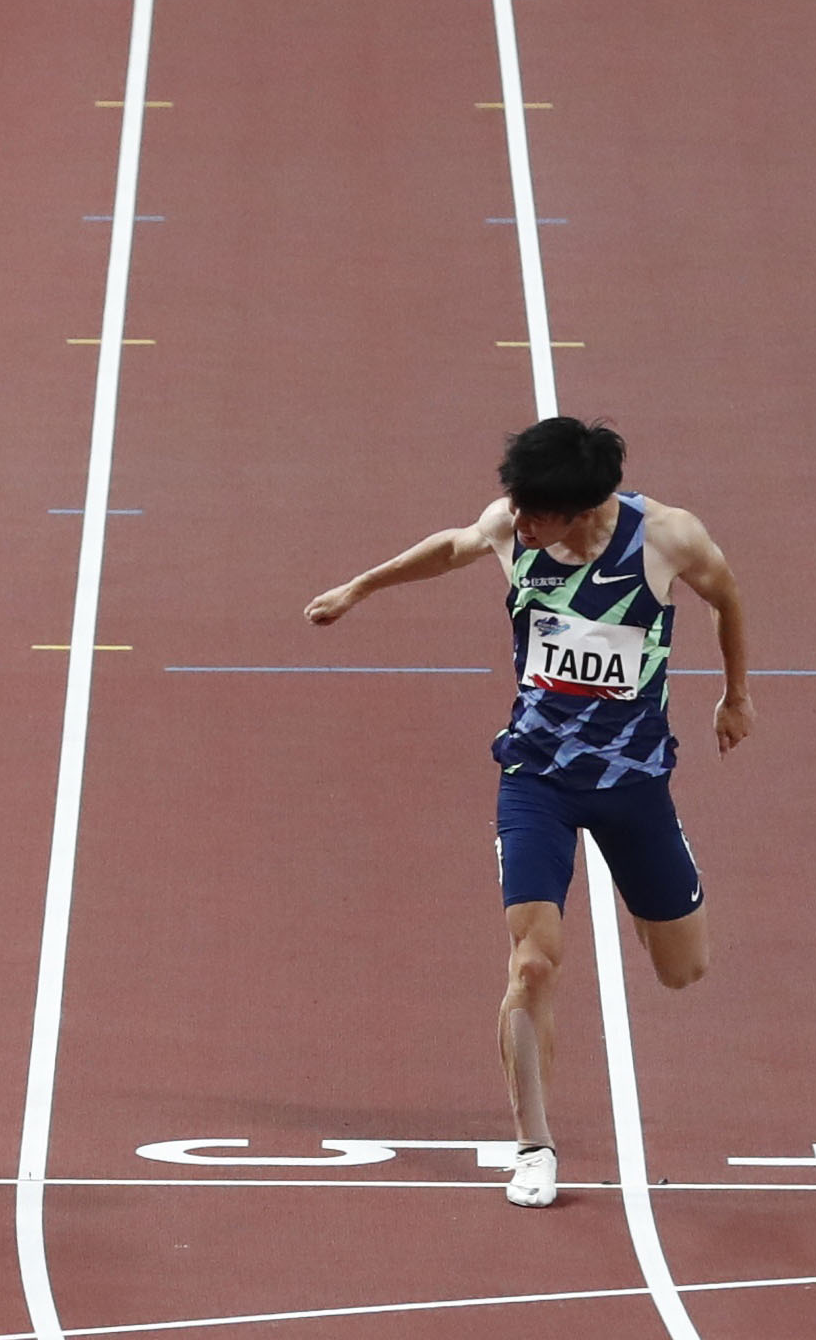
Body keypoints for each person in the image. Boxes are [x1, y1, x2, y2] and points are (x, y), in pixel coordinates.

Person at [305, 416, 750, 1207]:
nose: (515, 520)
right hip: (534, 777)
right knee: (533, 960)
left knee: (683, 971)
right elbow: (451, 546)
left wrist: (734, 695)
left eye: (532, 512)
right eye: (514, 503)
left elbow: (725, 596)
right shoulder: (511, 528)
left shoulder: (666, 539)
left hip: (634, 784)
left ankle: (648, 886)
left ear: (581, 510)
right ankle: (532, 1146)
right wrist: (360, 586)